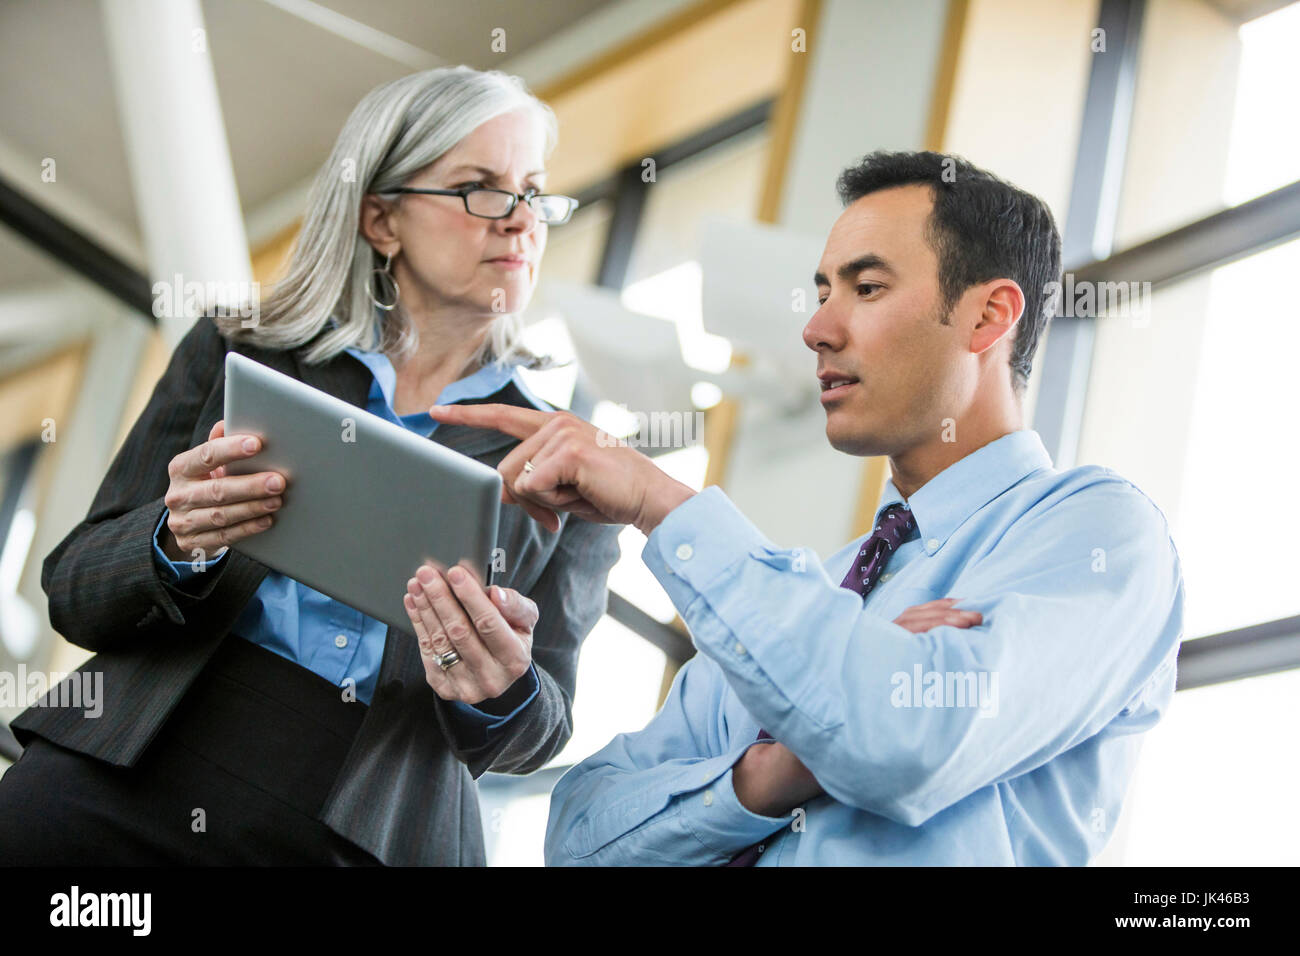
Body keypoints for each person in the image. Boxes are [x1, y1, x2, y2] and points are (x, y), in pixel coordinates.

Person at [428, 151, 1185, 866]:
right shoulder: (810, 599)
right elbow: (577, 836)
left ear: (987, 318)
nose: (817, 329)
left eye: (867, 287)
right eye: (824, 290)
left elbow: (899, 739)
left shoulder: (1101, 533)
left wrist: (663, 504)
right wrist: (771, 771)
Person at [0, 66, 621, 866]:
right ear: (381, 219)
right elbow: (74, 586)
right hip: (137, 760)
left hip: (371, 822)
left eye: (533, 193)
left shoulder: (566, 454)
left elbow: (539, 732)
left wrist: (501, 684)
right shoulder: (243, 352)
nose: (519, 222)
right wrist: (173, 538)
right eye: (480, 188)